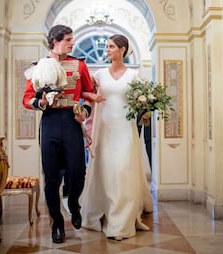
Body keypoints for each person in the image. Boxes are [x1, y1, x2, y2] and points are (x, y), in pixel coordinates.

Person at [22, 24, 96, 244]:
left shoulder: (80, 65)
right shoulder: (38, 67)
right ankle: (56, 223)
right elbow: (26, 99)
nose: (72, 43)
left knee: (77, 172)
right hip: (51, 122)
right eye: (68, 40)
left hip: (72, 122)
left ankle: (74, 203)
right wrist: (41, 102)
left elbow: (89, 94)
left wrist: (86, 111)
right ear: (55, 41)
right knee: (52, 177)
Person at [80, 34, 153, 241]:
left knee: (122, 170)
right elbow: (85, 92)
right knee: (107, 171)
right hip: (105, 128)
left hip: (125, 129)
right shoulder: (99, 75)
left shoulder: (134, 75)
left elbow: (144, 100)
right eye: (107, 47)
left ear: (122, 49)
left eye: (111, 46)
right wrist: (90, 97)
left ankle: (120, 221)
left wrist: (146, 109)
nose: (107, 50)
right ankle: (105, 211)